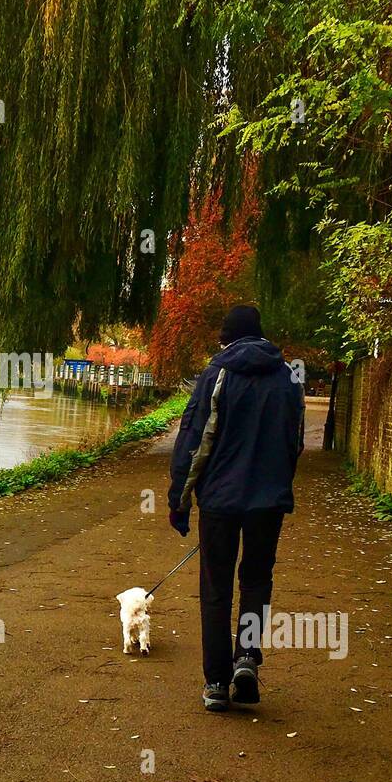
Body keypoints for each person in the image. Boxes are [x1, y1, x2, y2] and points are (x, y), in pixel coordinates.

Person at [167, 305, 305, 712]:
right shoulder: (288, 378)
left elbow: (194, 442)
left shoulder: (217, 374)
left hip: (220, 502)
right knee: (257, 579)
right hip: (268, 502)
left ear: (227, 338)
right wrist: (278, 484)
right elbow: (292, 442)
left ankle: (216, 682)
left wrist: (179, 500)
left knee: (216, 588)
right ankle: (246, 656)